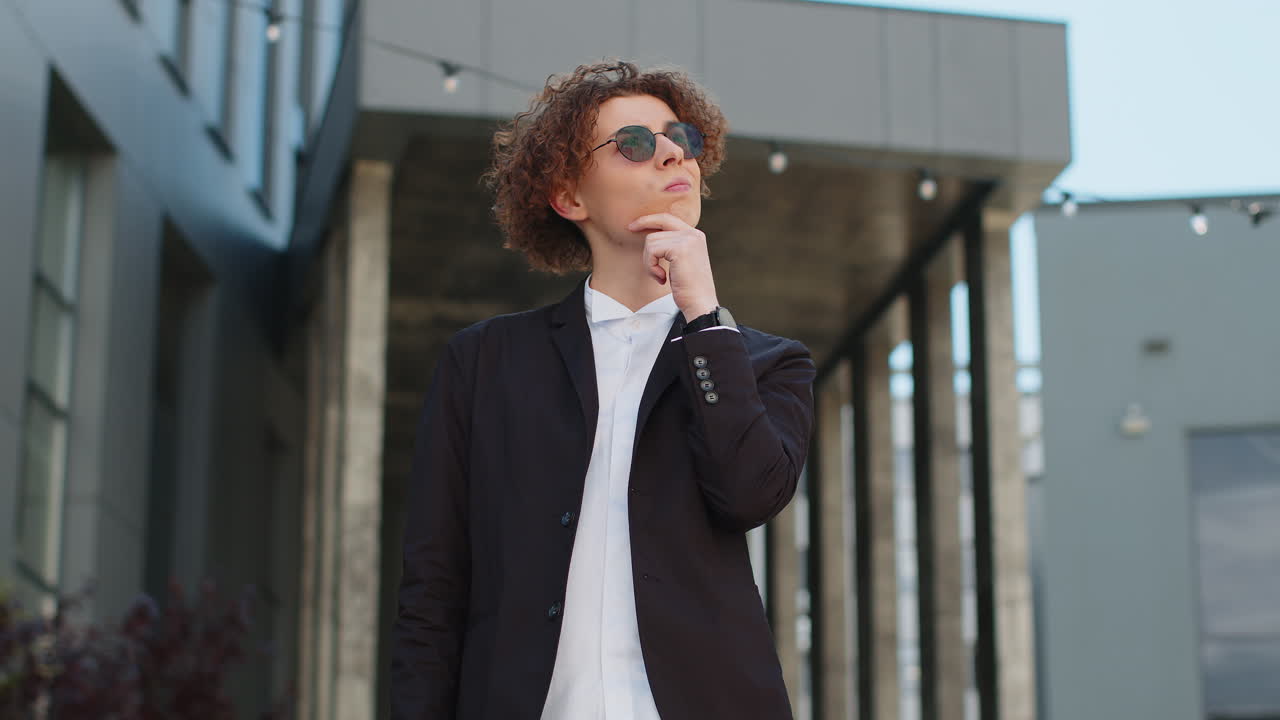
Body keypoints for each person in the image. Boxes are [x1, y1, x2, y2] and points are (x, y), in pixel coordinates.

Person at [390, 60, 816, 720]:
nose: (672, 152)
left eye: (681, 138)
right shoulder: (484, 363)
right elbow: (433, 588)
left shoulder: (764, 363)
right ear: (570, 197)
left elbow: (750, 493)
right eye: (636, 144)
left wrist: (703, 313)